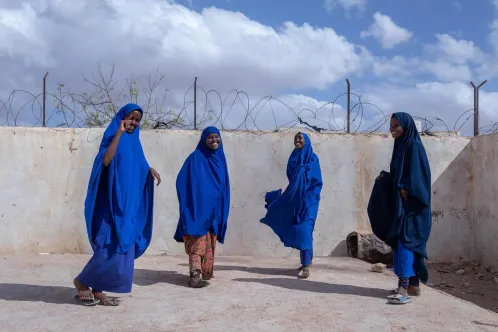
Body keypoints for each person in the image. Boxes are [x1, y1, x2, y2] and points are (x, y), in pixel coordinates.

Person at [73, 103, 161, 306]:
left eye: (137, 120)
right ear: (122, 117)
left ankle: (98, 289)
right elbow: (106, 161)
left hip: (127, 205)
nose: (133, 122)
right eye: (130, 117)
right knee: (108, 245)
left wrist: (149, 169)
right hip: (109, 203)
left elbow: (136, 165)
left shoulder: (135, 143)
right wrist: (119, 135)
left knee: (123, 246)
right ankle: (82, 281)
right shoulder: (114, 136)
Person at [367, 112, 431, 305]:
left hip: (413, 208)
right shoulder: (401, 145)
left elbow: (420, 177)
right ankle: (413, 285)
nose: (391, 129)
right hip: (402, 206)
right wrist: (387, 180)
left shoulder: (414, 146)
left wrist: (407, 188)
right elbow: (399, 175)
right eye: (391, 125)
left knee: (405, 243)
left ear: (406, 127)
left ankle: (402, 288)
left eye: (396, 126)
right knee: (401, 242)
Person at [260, 132, 323, 278]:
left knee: (305, 228)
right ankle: (307, 260)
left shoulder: (313, 159)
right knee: (299, 227)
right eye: (296, 138)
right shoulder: (293, 157)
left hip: (309, 199)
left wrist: (304, 172)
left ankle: (306, 265)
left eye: (300, 138)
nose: (298, 140)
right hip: (296, 197)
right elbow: (291, 176)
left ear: (306, 141)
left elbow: (317, 180)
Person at [174, 126, 230, 288]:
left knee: (210, 239)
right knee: (198, 240)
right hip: (197, 208)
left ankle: (206, 272)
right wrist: (192, 200)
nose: (214, 140)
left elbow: (224, 186)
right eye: (210, 137)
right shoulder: (195, 158)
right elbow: (181, 181)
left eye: (217, 137)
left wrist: (221, 205)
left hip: (214, 210)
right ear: (204, 139)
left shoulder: (220, 159)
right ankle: (194, 276)